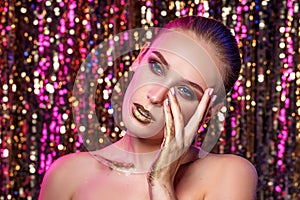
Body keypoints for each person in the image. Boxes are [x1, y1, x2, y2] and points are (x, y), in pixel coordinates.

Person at [39, 16, 257, 200]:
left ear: (207, 111)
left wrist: (161, 181)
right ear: (139, 57)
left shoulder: (229, 174)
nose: (155, 96)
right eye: (156, 67)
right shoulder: (66, 174)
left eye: (185, 91)